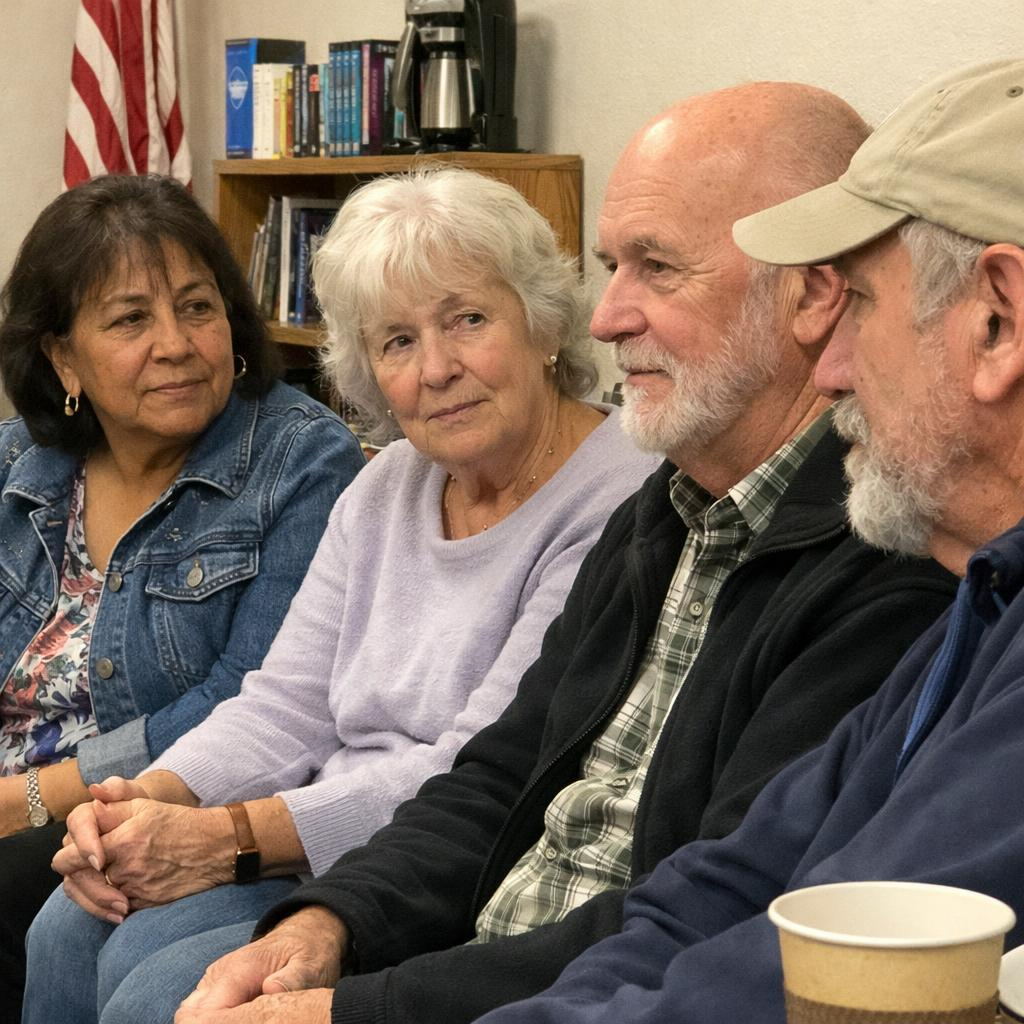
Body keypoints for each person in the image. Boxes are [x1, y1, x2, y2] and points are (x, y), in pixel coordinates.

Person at [166, 83, 958, 1024]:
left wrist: (358, 1006)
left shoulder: (887, 548)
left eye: (656, 269)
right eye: (610, 266)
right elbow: (499, 776)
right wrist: (330, 923)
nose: (604, 316)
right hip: (482, 950)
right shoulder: (667, 507)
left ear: (813, 295)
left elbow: (706, 915)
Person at [450, 57, 1024, 1023]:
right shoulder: (984, 600)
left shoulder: (937, 593)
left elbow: (810, 976)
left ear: (999, 322)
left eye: (864, 304)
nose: (829, 368)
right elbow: (720, 890)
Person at [22, 167, 660, 1024]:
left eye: (468, 319)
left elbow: (478, 773)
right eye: (396, 341)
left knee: (153, 988)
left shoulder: (619, 492)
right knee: (65, 925)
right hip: (319, 836)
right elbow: (285, 703)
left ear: (542, 323)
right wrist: (151, 801)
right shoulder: (389, 481)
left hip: (449, 861)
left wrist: (224, 838)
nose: (437, 369)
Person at [0, 173, 364, 1019]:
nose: (176, 343)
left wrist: (23, 801)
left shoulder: (302, 460)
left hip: (146, 806)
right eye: (131, 319)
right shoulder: (23, 458)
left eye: (197, 308)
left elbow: (248, 699)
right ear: (62, 358)